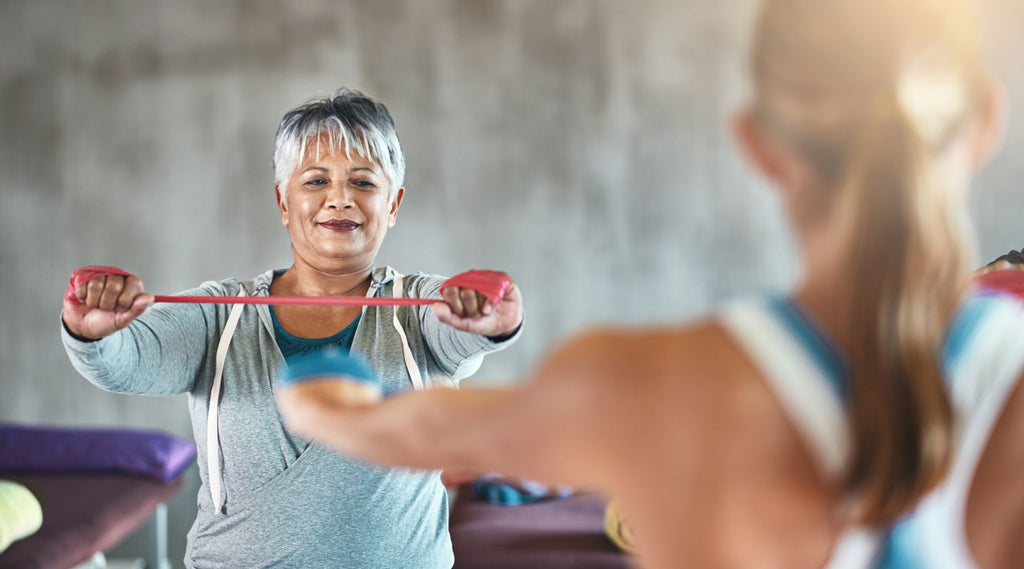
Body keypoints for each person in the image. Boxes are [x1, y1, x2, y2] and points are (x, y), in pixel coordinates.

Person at [274, 1, 1024, 568]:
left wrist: (324, 399)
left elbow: (415, 430)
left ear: (757, 144)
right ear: (987, 122)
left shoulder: (642, 383)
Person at [60, 88, 524, 569]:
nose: (339, 198)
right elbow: (130, 360)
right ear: (284, 201)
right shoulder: (220, 313)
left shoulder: (422, 306)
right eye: (316, 180)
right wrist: (96, 333)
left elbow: (463, 333)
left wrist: (488, 321)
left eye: (363, 183)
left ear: (394, 204)